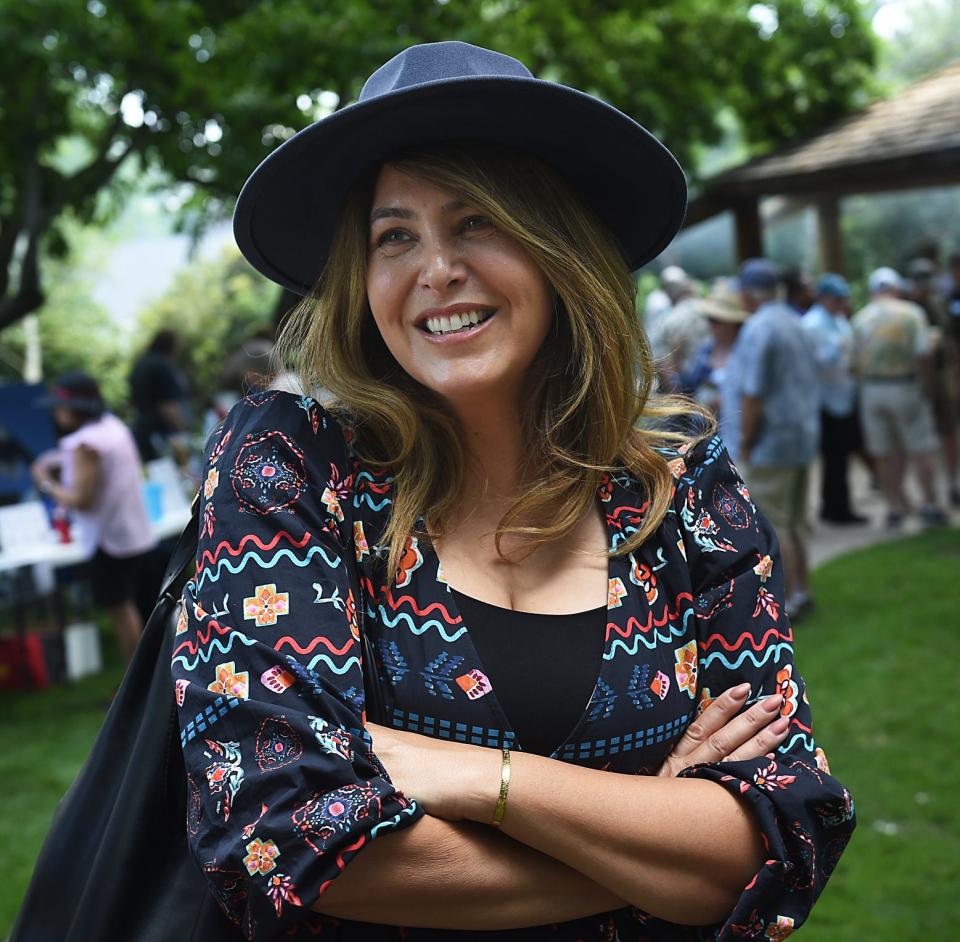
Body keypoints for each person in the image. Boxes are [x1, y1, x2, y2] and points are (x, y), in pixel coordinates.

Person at [173, 42, 854, 940]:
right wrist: (653, 831)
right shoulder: (291, 468)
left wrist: (481, 780)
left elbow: (787, 828)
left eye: (477, 221)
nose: (437, 269)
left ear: (557, 248)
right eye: (394, 235)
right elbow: (278, 837)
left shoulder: (681, 483)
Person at [31, 371, 157, 661]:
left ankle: (133, 689)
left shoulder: (85, 444)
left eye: (60, 406)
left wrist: (46, 482)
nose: (56, 412)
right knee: (141, 608)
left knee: (122, 612)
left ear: (75, 407)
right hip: (132, 533)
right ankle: (148, 685)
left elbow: (81, 499)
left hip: (107, 540)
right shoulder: (112, 427)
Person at [720, 259, 819, 620]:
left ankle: (791, 599)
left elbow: (752, 392)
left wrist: (745, 441)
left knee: (774, 526)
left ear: (748, 293)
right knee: (793, 521)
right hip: (801, 438)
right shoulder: (797, 320)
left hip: (771, 443)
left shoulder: (759, 328)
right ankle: (803, 591)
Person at [851, 267, 946, 528]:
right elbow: (923, 354)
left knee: (883, 453)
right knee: (921, 447)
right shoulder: (912, 314)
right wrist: (927, 388)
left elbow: (853, 363)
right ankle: (930, 504)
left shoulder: (860, 319)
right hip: (905, 386)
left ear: (873, 291)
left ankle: (894, 507)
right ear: (896, 288)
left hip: (872, 390)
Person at [801, 274, 867, 524]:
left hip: (842, 395)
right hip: (825, 400)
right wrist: (838, 347)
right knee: (834, 457)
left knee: (841, 457)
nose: (843, 303)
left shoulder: (838, 320)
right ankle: (836, 509)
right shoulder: (813, 324)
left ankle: (838, 506)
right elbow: (813, 363)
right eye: (838, 298)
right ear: (825, 298)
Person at [907, 257, 960, 506]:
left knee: (949, 432)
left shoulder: (941, 302)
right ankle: (930, 496)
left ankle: (953, 484)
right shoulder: (908, 309)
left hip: (942, 375)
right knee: (923, 439)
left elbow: (950, 338)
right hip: (917, 380)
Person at [677, 278, 747, 416]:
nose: (710, 325)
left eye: (715, 320)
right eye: (709, 319)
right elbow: (690, 387)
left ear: (732, 323)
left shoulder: (746, 352)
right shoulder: (706, 349)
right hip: (703, 427)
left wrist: (727, 402)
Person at [129, 329, 192, 462]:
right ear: (171, 346)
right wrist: (183, 430)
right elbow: (168, 407)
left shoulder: (140, 364)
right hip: (163, 435)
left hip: (143, 431)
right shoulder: (162, 366)